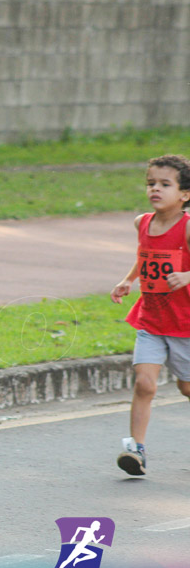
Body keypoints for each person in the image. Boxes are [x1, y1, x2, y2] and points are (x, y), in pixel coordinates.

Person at [110, 154, 190, 476]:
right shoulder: (141, 222)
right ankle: (136, 451)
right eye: (151, 183)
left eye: (164, 184)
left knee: (186, 388)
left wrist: (188, 276)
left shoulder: (187, 229)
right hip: (152, 319)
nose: (155, 189)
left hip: (184, 323)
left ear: (184, 194)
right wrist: (129, 279)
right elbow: (146, 256)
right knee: (144, 383)